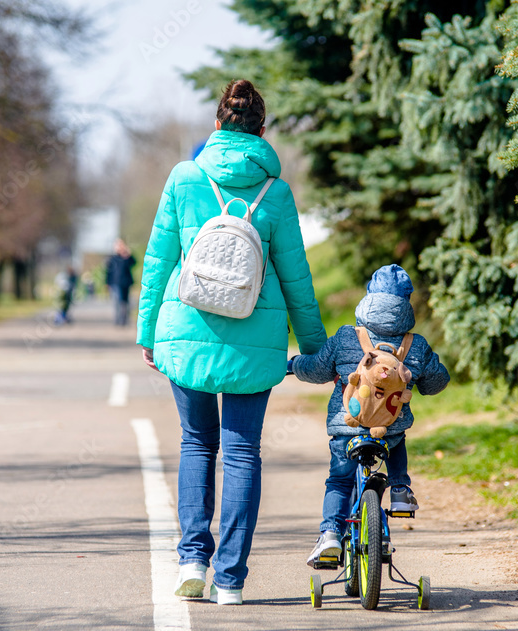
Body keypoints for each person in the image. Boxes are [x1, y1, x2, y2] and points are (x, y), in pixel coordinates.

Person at [136, 79, 326, 605]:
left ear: (217, 125)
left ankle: (192, 559)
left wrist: (147, 332)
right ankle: (231, 581)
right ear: (262, 132)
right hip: (254, 341)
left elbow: (157, 262)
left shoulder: (184, 177)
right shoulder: (277, 191)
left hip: (186, 332)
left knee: (197, 443)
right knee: (242, 454)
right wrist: (314, 346)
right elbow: (296, 277)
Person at [289, 264, 450, 568]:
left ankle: (330, 536)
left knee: (338, 481)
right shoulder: (415, 345)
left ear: (368, 297)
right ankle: (400, 492)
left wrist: (295, 364)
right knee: (396, 441)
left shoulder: (346, 337)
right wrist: (424, 370)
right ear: (407, 304)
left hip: (347, 427)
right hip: (388, 431)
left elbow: (317, 370)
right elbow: (437, 383)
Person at [106, 239, 136, 326]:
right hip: (115, 283)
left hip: (126, 282)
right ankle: (118, 319)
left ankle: (124, 319)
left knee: (125, 301)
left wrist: (128, 254)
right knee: (117, 301)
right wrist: (107, 282)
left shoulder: (126, 257)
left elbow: (134, 263)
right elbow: (108, 271)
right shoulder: (112, 258)